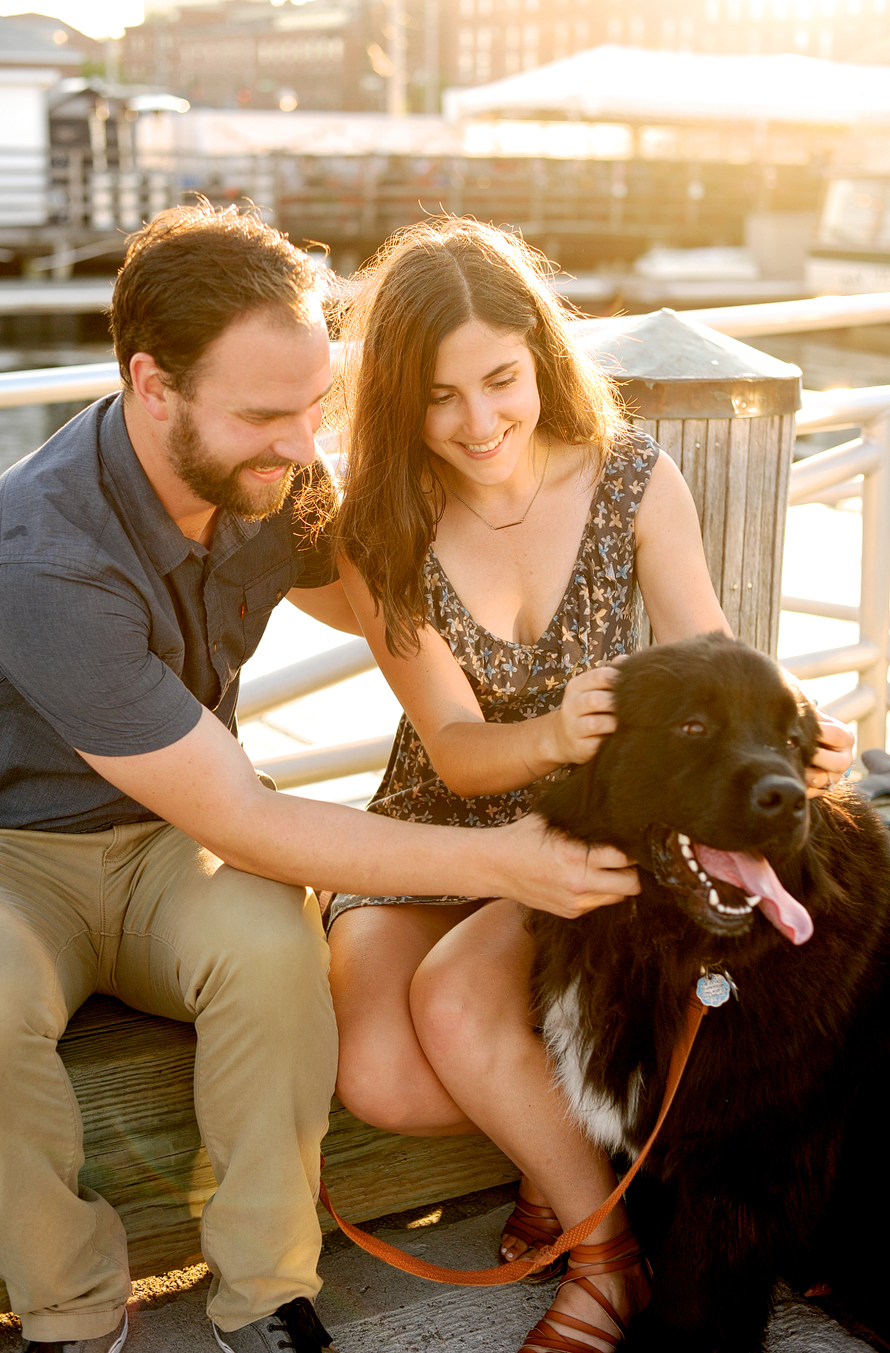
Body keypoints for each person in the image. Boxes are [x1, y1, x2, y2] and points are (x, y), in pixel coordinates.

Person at [0, 205, 643, 1353]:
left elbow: (405, 601)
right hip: (17, 856)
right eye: (263, 415)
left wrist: (536, 533)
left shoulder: (272, 477)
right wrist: (504, 858)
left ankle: (266, 1292)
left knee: (275, 953)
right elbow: (245, 816)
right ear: (153, 385)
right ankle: (69, 1313)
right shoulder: (41, 554)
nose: (302, 449)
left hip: (165, 845)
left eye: (313, 408)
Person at [325, 218, 854, 1353]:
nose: (478, 424)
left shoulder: (632, 482)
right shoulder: (381, 521)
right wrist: (559, 727)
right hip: (434, 815)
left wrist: (793, 734)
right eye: (436, 397)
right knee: (378, 1078)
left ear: (540, 355)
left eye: (501, 380)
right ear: (395, 404)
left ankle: (605, 1258)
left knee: (459, 1006)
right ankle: (556, 1153)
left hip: (578, 830)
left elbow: (710, 650)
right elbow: (459, 747)